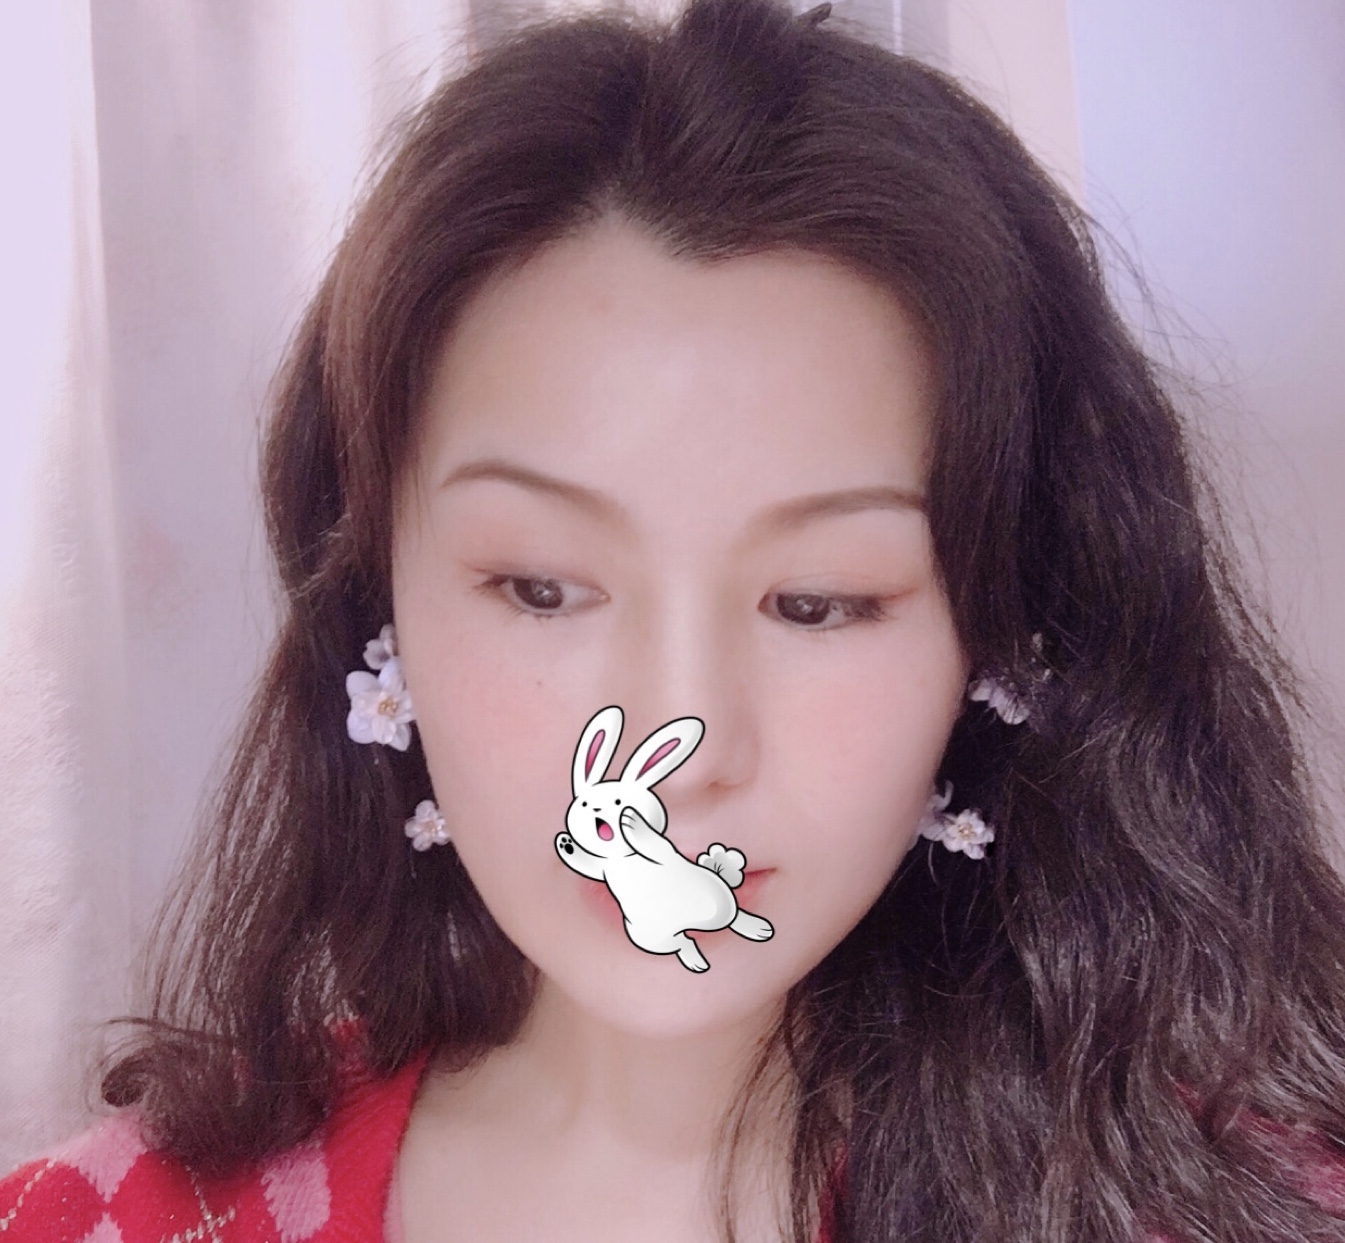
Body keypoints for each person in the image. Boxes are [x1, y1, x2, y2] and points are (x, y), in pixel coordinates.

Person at [5, 0, 1345, 1239]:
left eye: (817, 603)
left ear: (1000, 638)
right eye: (540, 587)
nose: (683, 746)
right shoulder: (106, 1220)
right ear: (375, 597)